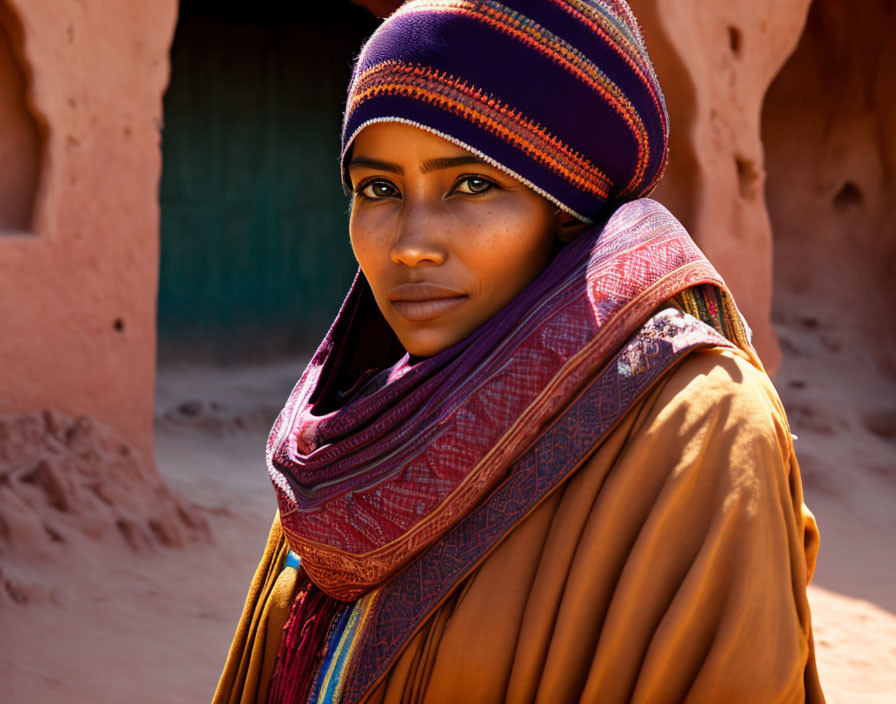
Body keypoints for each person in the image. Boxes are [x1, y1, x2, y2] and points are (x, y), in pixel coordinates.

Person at [214, 1, 825, 702]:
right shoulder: (354, 434)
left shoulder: (696, 432)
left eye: (473, 185)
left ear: (568, 208)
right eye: (378, 188)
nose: (410, 242)